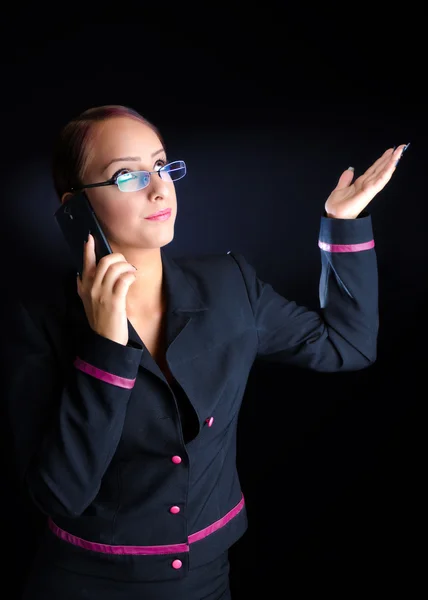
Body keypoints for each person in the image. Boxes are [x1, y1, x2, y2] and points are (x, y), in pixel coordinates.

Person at [6, 104, 409, 599]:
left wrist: (342, 222)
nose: (159, 189)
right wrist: (106, 346)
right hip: (82, 582)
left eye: (161, 166)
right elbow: (61, 493)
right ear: (75, 206)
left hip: (206, 579)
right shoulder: (37, 321)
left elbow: (347, 346)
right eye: (127, 176)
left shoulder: (230, 284)